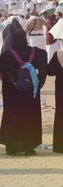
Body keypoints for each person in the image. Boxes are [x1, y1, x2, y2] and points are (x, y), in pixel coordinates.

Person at [0, 26, 47, 155]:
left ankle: (12, 146)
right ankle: (29, 146)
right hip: (31, 93)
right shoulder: (37, 53)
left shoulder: (6, 55)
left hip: (12, 94)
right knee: (30, 116)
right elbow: (44, 68)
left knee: (13, 116)